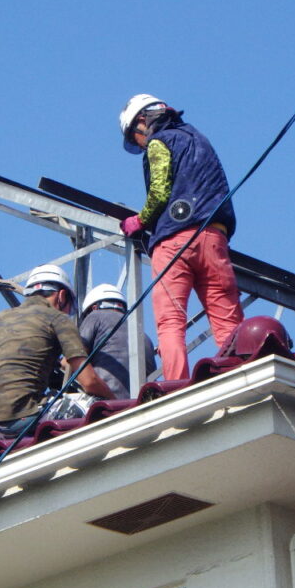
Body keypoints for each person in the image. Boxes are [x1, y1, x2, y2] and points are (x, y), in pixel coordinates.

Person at [118, 94, 244, 380]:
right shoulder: (199, 139)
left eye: (135, 136)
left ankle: (175, 386)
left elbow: (160, 191)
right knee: (228, 321)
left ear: (142, 121)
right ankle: (241, 376)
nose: (140, 143)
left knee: (170, 322)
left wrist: (140, 220)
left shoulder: (159, 141)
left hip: (174, 241)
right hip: (214, 237)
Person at [0, 264, 115, 443]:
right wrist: (114, 404)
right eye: (69, 307)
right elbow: (89, 381)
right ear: (62, 296)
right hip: (18, 419)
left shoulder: (0, 318)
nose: (67, 312)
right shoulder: (57, 318)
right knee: (95, 406)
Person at [78, 283, 156, 399]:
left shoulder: (95, 316)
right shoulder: (144, 336)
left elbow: (73, 357)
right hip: (139, 402)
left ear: (94, 308)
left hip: (104, 398)